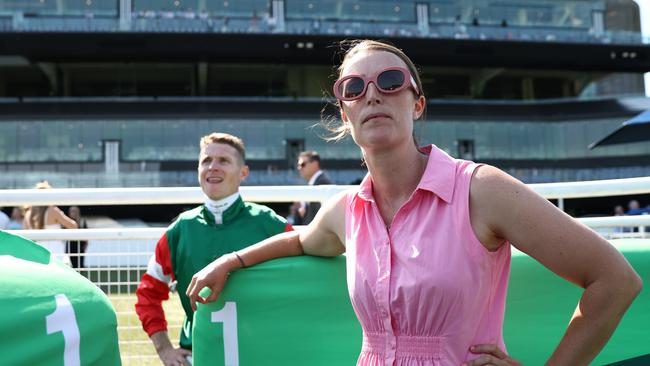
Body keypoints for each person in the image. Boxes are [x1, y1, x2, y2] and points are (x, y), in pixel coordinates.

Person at [186, 40, 642, 366]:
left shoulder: (481, 189)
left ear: (417, 103)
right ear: (344, 113)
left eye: (389, 80)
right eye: (353, 87)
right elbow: (304, 242)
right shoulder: (347, 210)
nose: (372, 94)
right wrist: (231, 259)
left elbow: (615, 280)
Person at [135, 132, 292, 366]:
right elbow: (147, 295)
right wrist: (164, 349)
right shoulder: (179, 230)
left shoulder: (272, 225)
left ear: (243, 173)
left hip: (262, 354)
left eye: (224, 161)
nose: (213, 167)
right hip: (199, 355)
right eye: (206, 161)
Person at [0, 231, 121, 365]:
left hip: (39, 252)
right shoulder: (51, 210)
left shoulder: (32, 214)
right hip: (49, 257)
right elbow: (73, 226)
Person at [23, 181, 78, 266]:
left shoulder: (28, 214)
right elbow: (73, 226)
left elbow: (25, 239)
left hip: (37, 259)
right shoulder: (52, 211)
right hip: (57, 258)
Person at [296, 150, 333, 225]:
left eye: (302, 164)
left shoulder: (322, 183)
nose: (299, 168)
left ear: (315, 164)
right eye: (298, 165)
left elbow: (321, 217)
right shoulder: (317, 182)